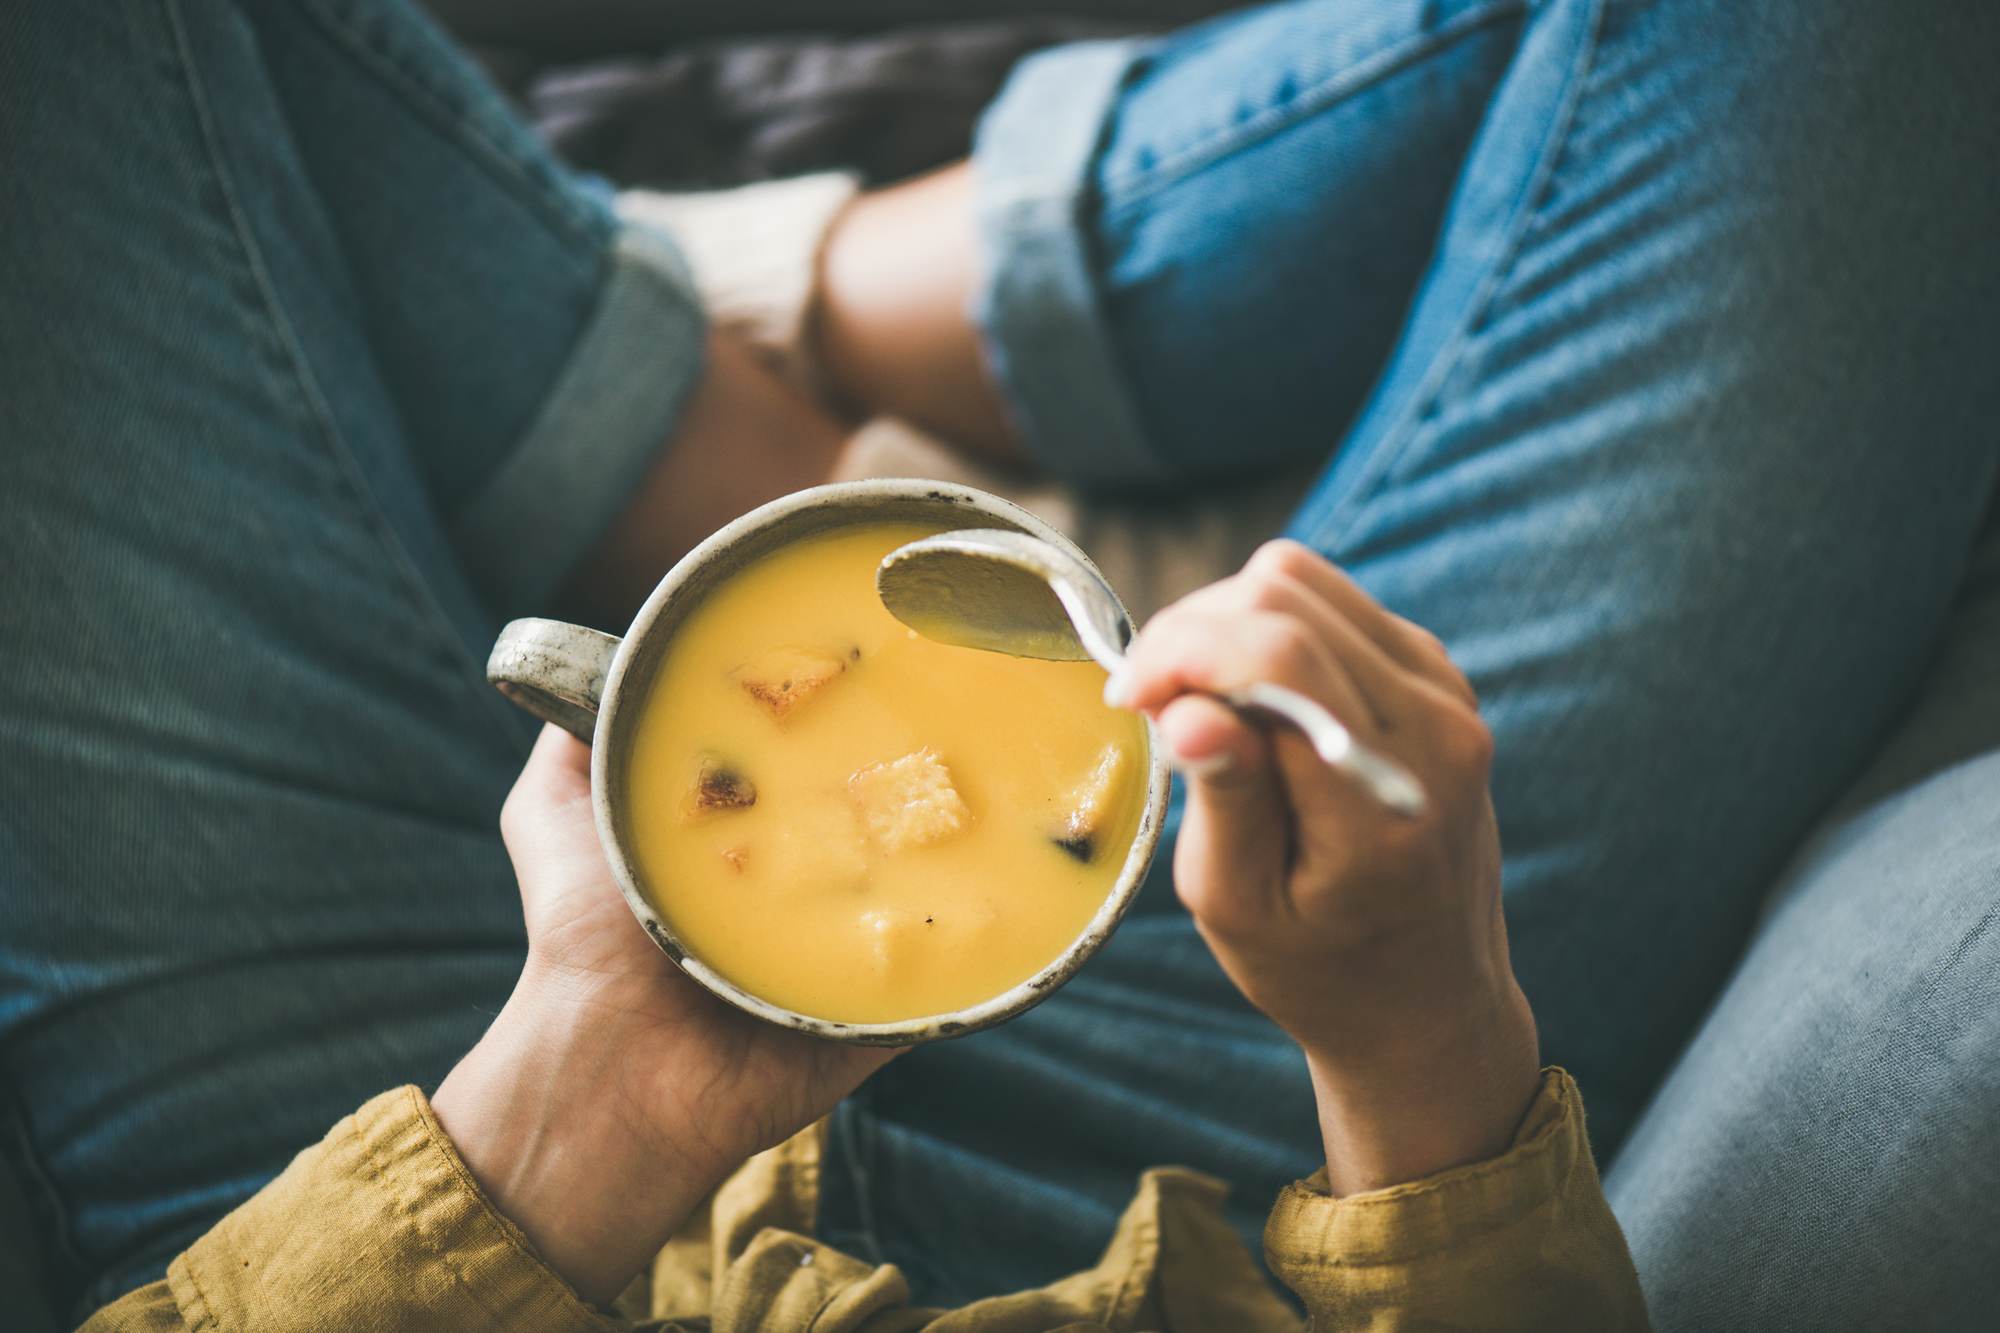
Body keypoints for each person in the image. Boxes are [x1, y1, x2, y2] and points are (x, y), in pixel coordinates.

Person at [2, 0, 1994, 1327]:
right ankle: (734, 356)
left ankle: (748, 360)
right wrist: (1422, 1043)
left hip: (358, 1157)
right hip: (1193, 1170)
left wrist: (566, 1112)